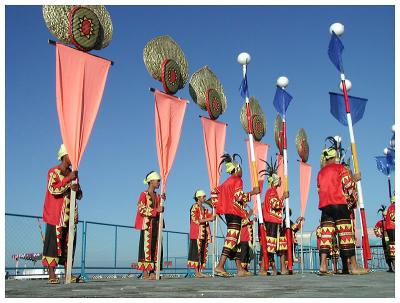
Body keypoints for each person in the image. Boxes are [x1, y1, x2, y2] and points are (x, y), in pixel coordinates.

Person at [317, 147, 367, 275]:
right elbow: (349, 186)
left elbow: (319, 190)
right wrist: (355, 180)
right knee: (346, 235)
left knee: (326, 236)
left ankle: (323, 265)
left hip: (325, 206)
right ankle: (354, 266)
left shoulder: (320, 172)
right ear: (335, 157)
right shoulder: (340, 168)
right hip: (339, 204)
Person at [211, 153, 259, 277]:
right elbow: (239, 196)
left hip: (229, 213)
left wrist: (219, 206)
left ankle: (239, 269)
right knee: (232, 238)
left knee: (236, 240)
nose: (242, 171)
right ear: (237, 169)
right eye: (241, 168)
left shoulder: (226, 182)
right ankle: (220, 265)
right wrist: (252, 193)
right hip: (234, 213)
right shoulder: (238, 180)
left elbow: (214, 192)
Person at [42, 144, 83, 284]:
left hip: (71, 216)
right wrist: (68, 181)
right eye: (71, 154)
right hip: (56, 214)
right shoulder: (53, 171)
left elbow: (80, 195)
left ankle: (68, 273)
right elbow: (53, 189)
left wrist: (76, 189)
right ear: (64, 156)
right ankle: (52, 274)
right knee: (53, 244)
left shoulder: (74, 173)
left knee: (69, 243)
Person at [259, 158, 289, 275]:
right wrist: (282, 198)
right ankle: (263, 268)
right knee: (269, 245)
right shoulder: (271, 192)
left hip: (276, 221)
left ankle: (282, 268)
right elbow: (274, 204)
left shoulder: (273, 192)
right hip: (271, 222)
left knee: (280, 244)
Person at [134, 171, 166, 280]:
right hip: (147, 225)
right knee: (146, 247)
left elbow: (159, 209)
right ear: (151, 181)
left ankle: (153, 271)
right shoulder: (143, 194)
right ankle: (145, 272)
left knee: (156, 247)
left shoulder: (157, 196)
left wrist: (162, 202)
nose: (159, 183)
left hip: (156, 225)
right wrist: (156, 210)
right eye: (158, 181)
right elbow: (141, 208)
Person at [187, 190, 216, 278]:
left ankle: (200, 271)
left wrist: (214, 208)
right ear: (198, 197)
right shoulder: (194, 207)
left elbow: (211, 216)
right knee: (196, 252)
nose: (204, 198)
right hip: (196, 233)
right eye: (203, 197)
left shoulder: (205, 208)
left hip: (204, 234)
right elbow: (195, 220)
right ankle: (197, 272)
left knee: (202, 252)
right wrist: (208, 219)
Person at [374, 205, 393, 272]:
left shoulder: (392, 220)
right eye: (384, 215)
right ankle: (390, 267)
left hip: (392, 237)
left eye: (386, 215)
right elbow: (375, 228)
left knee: (393, 252)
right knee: (387, 253)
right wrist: (379, 235)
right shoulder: (380, 222)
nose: (385, 217)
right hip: (385, 239)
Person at [385, 195, 395, 272]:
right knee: (393, 246)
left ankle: (394, 266)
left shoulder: (390, 207)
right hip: (392, 228)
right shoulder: (393, 207)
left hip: (390, 228)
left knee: (392, 246)